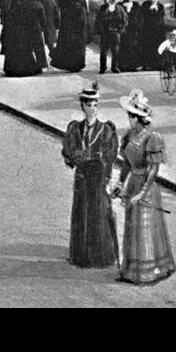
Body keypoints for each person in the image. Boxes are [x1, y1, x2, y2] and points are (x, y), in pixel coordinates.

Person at [111, 89, 175, 285]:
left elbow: (153, 169)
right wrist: (120, 183)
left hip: (146, 188)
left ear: (139, 119)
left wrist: (141, 193)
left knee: (145, 227)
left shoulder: (152, 137)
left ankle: (151, 270)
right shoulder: (129, 136)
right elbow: (127, 163)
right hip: (133, 183)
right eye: (129, 116)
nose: (129, 119)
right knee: (132, 226)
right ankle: (130, 270)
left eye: (131, 116)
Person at [61, 83, 119, 268]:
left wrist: (108, 179)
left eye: (95, 105)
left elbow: (110, 156)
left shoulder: (106, 129)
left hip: (99, 174)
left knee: (99, 212)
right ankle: (81, 255)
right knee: (82, 211)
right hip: (83, 174)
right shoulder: (75, 128)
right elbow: (68, 150)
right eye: (88, 105)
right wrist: (77, 158)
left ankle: (99, 255)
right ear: (83, 106)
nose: (92, 109)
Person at [51, 0, 88, 73]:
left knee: (70, 50)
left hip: (68, 32)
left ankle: (70, 65)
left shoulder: (66, 8)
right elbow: (83, 22)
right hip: (79, 33)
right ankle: (77, 65)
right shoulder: (80, 9)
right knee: (78, 50)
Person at [97, 0, 127, 74]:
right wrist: (101, 30)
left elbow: (124, 20)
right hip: (105, 33)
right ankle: (103, 67)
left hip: (115, 33)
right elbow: (99, 19)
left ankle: (115, 67)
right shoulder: (103, 7)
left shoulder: (120, 9)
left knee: (116, 51)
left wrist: (120, 30)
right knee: (103, 51)